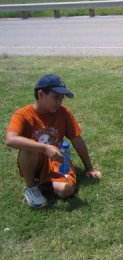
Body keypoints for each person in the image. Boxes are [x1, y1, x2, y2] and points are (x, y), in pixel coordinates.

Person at [6, 74, 102, 209]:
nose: (59, 103)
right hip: (34, 160)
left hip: (57, 161)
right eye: (56, 97)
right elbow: (10, 139)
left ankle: (46, 182)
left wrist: (89, 168)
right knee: (29, 147)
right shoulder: (22, 115)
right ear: (41, 94)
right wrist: (45, 148)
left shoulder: (63, 112)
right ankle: (31, 186)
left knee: (65, 191)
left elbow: (76, 139)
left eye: (61, 98)